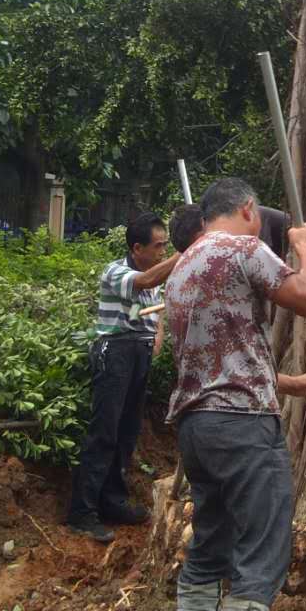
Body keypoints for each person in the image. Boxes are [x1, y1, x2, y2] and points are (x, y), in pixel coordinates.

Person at [163, 177, 306, 611]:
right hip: (244, 427)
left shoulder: (182, 268)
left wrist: (287, 382)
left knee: (210, 542)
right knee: (261, 551)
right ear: (249, 210)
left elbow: (215, 355)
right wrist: (304, 249)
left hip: (196, 428)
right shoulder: (244, 248)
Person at [66, 212, 179, 542]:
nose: (162, 251)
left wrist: (156, 339)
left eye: (166, 246)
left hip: (138, 356)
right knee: (104, 432)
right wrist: (182, 255)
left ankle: (112, 502)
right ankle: (81, 513)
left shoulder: (151, 275)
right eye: (158, 246)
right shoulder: (117, 272)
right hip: (114, 354)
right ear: (137, 247)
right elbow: (145, 284)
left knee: (127, 434)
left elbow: (156, 308)